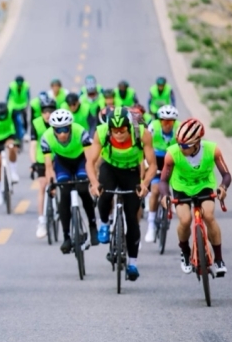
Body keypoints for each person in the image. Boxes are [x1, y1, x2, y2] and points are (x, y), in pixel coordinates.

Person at [87, 107, 157, 281]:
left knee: (132, 217)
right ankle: (104, 223)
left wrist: (145, 183)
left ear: (129, 127)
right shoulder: (101, 132)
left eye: (122, 130)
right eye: (115, 131)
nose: (118, 134)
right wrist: (94, 183)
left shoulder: (142, 133)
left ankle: (133, 263)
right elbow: (90, 162)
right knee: (104, 195)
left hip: (131, 171)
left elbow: (153, 165)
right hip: (110, 168)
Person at [159, 118, 231, 276]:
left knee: (209, 216)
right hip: (181, 187)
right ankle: (185, 252)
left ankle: (219, 259)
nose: (181, 148)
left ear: (197, 142)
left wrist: (222, 188)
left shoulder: (212, 150)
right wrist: (165, 195)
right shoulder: (172, 154)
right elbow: (163, 180)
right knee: (185, 220)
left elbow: (226, 175)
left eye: (185, 146)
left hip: (204, 185)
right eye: (179, 144)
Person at [40, 109, 99, 254]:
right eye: (58, 130)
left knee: (83, 189)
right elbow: (48, 167)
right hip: (62, 164)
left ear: (71, 127)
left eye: (65, 129)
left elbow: (90, 160)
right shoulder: (46, 138)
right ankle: (66, 236)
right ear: (53, 129)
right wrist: (51, 183)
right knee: (65, 193)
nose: (62, 134)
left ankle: (93, 227)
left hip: (81, 161)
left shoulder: (81, 132)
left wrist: (93, 180)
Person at [145, 104, 179, 243]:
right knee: (155, 190)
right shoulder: (153, 128)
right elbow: (144, 146)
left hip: (173, 160)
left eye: (170, 121)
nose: (167, 125)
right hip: (157, 160)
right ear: (160, 121)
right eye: (164, 121)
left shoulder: (179, 129)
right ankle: (151, 225)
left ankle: (174, 202)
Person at [30, 95, 57, 238]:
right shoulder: (36, 123)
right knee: (42, 185)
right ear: (41, 112)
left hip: (56, 157)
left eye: (50, 111)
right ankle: (41, 220)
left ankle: (57, 208)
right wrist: (33, 162)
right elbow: (33, 145)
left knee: (56, 184)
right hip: (41, 158)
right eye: (45, 111)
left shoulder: (58, 122)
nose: (48, 114)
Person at [6, 74, 30, 140]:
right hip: (14, 105)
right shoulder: (12, 86)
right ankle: (14, 133)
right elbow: (7, 95)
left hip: (22, 105)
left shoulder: (26, 86)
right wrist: (7, 104)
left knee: (25, 119)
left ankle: (25, 133)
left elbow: (28, 95)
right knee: (12, 119)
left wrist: (27, 104)